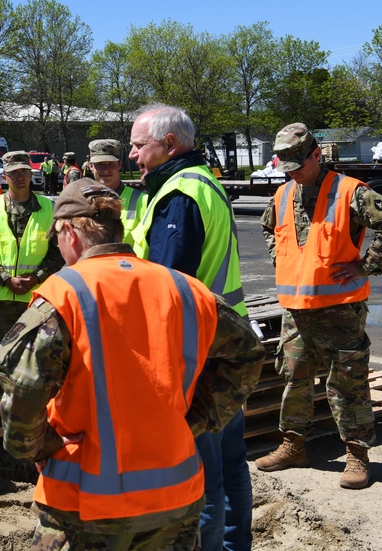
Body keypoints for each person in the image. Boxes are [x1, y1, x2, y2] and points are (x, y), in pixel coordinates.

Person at [0, 179, 265, 550]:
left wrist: (40, 448)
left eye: (55, 235)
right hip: (175, 498)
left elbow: (23, 393)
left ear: (70, 232)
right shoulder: (188, 290)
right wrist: (200, 419)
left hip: (83, 505)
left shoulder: (62, 296)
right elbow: (247, 354)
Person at [128, 104, 249, 551]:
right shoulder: (203, 183)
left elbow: (164, 285)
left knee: (205, 473)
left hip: (194, 355)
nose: (133, 155)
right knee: (233, 463)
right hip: (223, 345)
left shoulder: (179, 194)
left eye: (140, 145)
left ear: (170, 144)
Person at [256, 123, 382, 489]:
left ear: (317, 155)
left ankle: (357, 454)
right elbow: (269, 229)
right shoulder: (283, 194)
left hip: (341, 310)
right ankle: (293, 446)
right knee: (294, 379)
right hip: (295, 308)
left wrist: (369, 264)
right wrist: (279, 257)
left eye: (298, 165)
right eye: (285, 167)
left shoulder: (350, 191)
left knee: (347, 383)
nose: (292, 174)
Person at [0, 151, 63, 341]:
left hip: (39, 300)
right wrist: (5, 279)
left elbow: (60, 251)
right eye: (13, 173)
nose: (19, 177)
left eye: (24, 172)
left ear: (31, 175)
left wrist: (36, 277)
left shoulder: (51, 209)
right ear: (4, 176)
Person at [87, 138, 144, 245]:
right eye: (100, 164)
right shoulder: (81, 200)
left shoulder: (141, 200)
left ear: (119, 165)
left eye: (111, 164)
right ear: (90, 166)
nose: (106, 170)